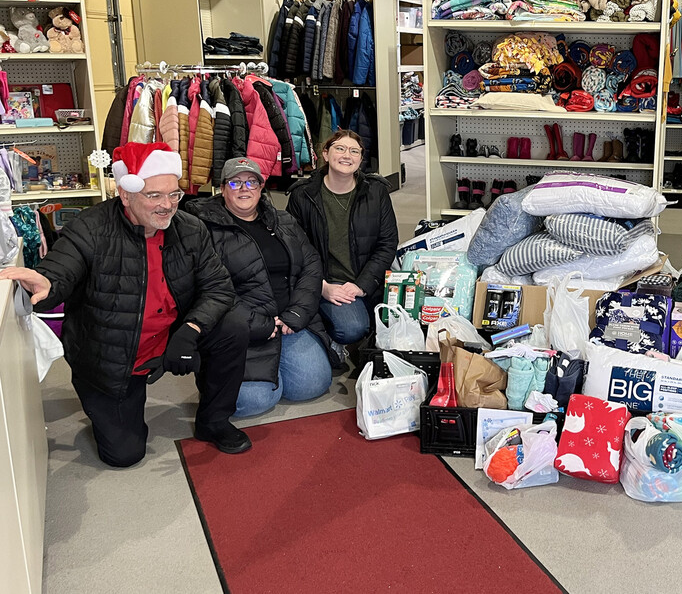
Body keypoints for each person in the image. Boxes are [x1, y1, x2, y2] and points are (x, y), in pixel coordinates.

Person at [0, 142, 250, 467]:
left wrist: (190, 330)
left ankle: (214, 421)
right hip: (113, 354)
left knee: (233, 327)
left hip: (172, 334)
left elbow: (219, 287)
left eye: (174, 194)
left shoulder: (190, 229)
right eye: (155, 195)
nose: (168, 205)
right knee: (124, 455)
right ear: (125, 192)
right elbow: (62, 266)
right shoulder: (90, 228)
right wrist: (47, 282)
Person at [187, 157, 334, 418]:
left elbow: (311, 264)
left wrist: (297, 313)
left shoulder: (283, 220)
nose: (245, 188)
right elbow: (208, 290)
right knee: (253, 402)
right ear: (222, 189)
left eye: (252, 182)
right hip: (244, 329)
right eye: (236, 182)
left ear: (261, 187)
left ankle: (277, 364)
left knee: (312, 385)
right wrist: (259, 325)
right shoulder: (202, 230)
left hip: (289, 320)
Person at [287, 130, 398, 359]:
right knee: (352, 328)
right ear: (325, 155)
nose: (347, 155)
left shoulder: (376, 192)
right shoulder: (302, 196)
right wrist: (321, 286)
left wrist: (361, 285)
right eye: (340, 148)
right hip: (326, 280)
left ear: (360, 159)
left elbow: (387, 244)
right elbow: (293, 250)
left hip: (365, 279)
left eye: (354, 151)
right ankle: (321, 326)